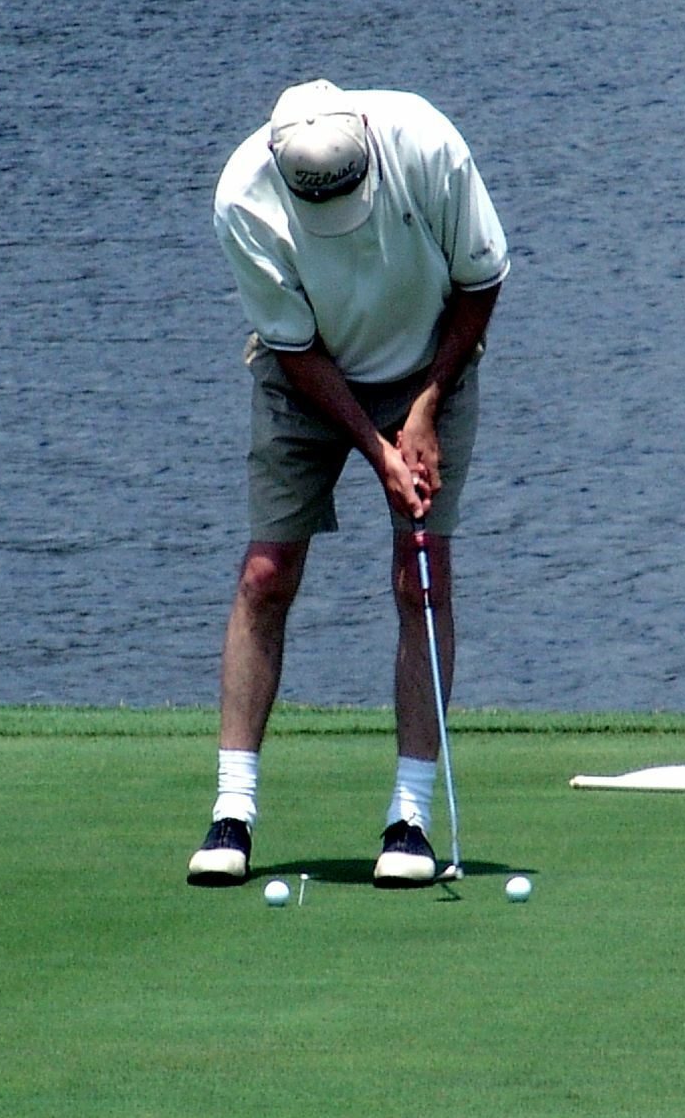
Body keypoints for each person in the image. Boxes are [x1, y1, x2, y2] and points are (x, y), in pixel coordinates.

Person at [187, 80, 509, 888]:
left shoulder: (429, 143)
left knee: (420, 574)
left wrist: (426, 408)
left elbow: (481, 283)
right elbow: (293, 347)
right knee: (267, 572)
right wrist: (376, 447)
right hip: (307, 376)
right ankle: (232, 812)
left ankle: (410, 819)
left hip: (432, 361)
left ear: (368, 141)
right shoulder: (241, 198)